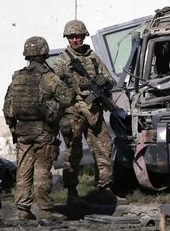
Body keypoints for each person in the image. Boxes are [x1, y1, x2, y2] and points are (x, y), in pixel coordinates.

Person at [3, 36, 74, 220]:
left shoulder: (17, 77)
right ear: (44, 53)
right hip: (44, 131)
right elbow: (67, 100)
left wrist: (13, 129)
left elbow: (8, 106)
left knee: (23, 170)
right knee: (42, 170)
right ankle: (45, 211)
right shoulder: (49, 78)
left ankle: (22, 210)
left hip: (22, 131)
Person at [52, 19, 116, 202]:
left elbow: (110, 80)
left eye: (78, 36)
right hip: (74, 110)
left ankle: (104, 188)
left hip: (94, 109)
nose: (75, 40)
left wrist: (105, 81)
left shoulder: (93, 57)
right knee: (73, 151)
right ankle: (72, 192)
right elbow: (54, 86)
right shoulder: (62, 61)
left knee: (104, 148)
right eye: (71, 37)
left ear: (83, 36)